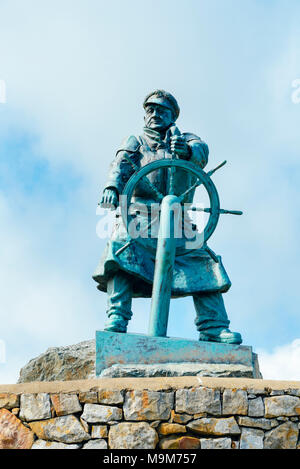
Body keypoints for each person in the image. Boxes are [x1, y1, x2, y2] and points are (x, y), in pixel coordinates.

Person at [93, 90, 242, 344]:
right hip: (139, 216)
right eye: (150, 109)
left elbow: (201, 153)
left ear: (172, 116)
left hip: (177, 220)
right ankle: (117, 317)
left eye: (161, 110)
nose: (154, 114)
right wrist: (111, 188)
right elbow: (119, 165)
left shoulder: (186, 140)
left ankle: (214, 327)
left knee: (204, 262)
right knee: (120, 251)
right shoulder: (136, 142)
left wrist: (186, 151)